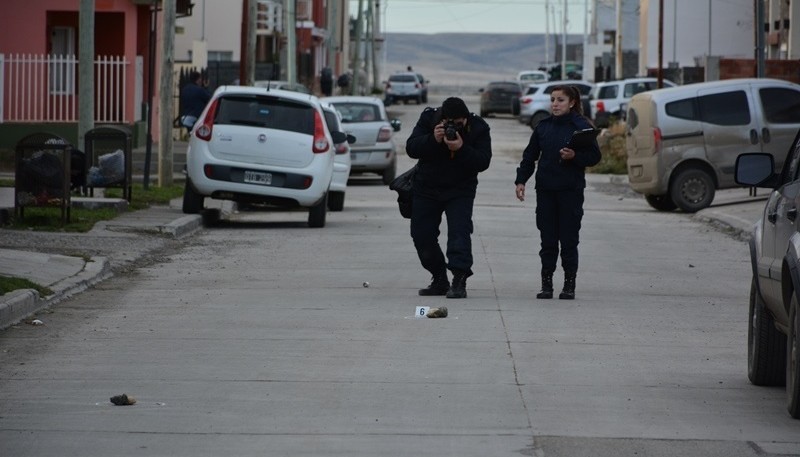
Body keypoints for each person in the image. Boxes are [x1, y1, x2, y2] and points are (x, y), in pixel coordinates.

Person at [514, 85, 601, 300]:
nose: (555, 104)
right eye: (553, 99)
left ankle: (569, 284)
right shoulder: (543, 127)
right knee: (548, 240)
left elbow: (594, 157)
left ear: (572, 102)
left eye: (560, 100)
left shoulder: (581, 127)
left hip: (570, 192)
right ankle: (547, 284)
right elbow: (530, 156)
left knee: (569, 240)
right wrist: (521, 180)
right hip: (546, 190)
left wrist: (575, 157)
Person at [406, 97, 492, 299]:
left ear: (466, 118)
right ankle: (439, 279)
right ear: (442, 118)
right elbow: (411, 148)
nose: (454, 127)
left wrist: (461, 149)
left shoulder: (478, 127)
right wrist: (432, 139)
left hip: (460, 189)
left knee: (459, 235)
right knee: (422, 236)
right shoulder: (429, 118)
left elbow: (483, 161)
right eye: (449, 123)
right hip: (427, 187)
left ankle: (459, 280)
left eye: (459, 123)